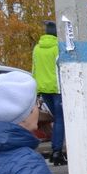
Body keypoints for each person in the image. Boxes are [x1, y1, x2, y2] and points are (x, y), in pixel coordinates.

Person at [32, 21, 65, 166]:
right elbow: (64, 68)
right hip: (57, 89)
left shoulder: (37, 48)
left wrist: (36, 90)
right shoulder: (58, 47)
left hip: (43, 89)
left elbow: (34, 69)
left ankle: (55, 151)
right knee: (60, 120)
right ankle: (56, 152)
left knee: (57, 119)